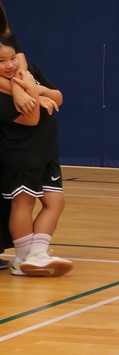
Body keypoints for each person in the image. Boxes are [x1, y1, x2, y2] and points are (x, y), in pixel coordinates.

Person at [0, 27, 70, 278]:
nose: (10, 65)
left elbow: (58, 97)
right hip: (21, 154)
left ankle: (37, 255)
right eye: (1, 61)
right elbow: (31, 119)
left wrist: (34, 89)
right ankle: (21, 258)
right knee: (24, 202)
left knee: (55, 202)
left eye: (12, 58)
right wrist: (32, 94)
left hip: (47, 151)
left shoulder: (29, 72)